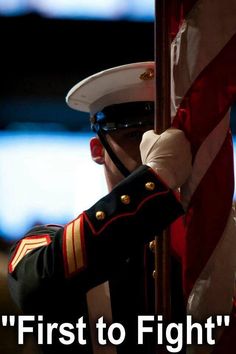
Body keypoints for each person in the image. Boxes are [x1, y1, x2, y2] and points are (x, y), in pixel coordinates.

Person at [8, 62, 192, 354]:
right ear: (97, 150)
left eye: (164, 137)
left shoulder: (217, 237)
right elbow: (34, 287)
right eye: (134, 136)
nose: (151, 147)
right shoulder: (45, 243)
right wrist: (155, 180)